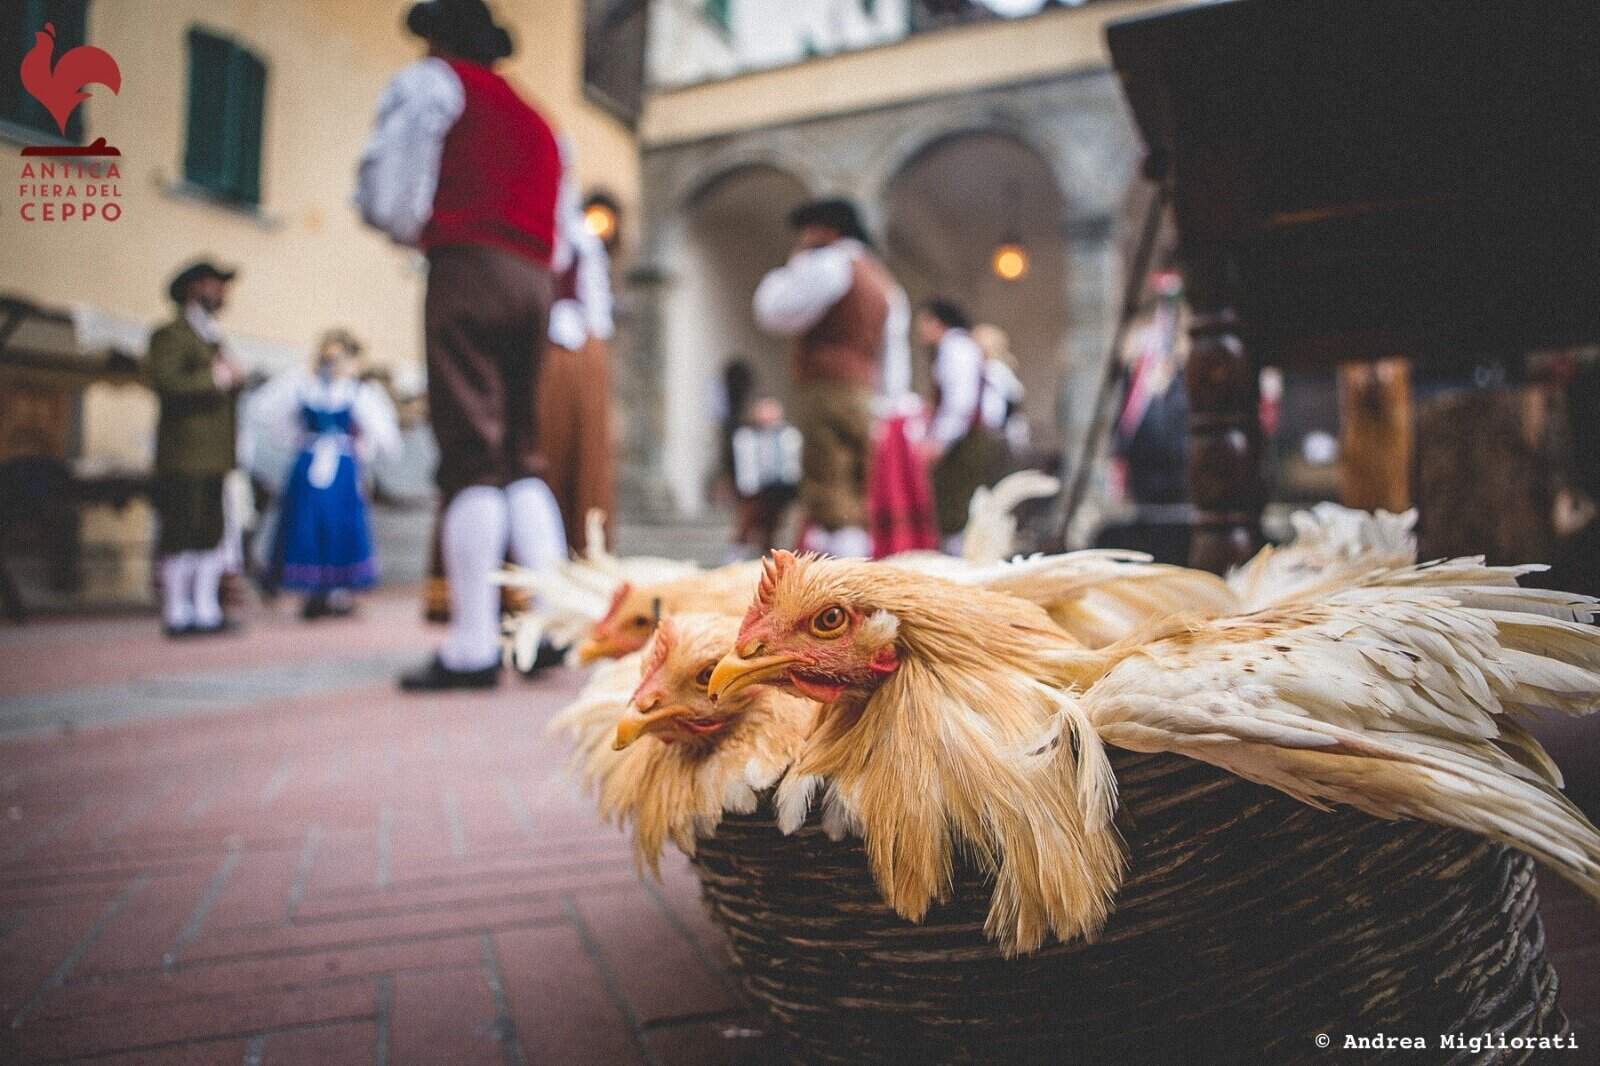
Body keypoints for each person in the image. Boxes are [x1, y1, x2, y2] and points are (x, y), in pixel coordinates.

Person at [356, 0, 572, 690]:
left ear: (437, 38)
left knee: (472, 452)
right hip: (534, 279)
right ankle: (549, 627)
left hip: (468, 265)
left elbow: (389, 195)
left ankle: (473, 646)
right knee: (521, 451)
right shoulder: (542, 122)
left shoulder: (433, 84)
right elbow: (563, 231)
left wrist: (422, 234)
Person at [754, 199, 910, 559]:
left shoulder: (827, 265)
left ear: (826, 230)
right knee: (857, 486)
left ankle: (839, 572)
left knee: (826, 483)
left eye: (808, 230)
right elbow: (893, 352)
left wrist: (795, 265)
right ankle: (857, 562)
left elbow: (772, 310)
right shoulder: (883, 281)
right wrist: (888, 403)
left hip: (825, 388)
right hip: (865, 393)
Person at [249, 331, 401, 620]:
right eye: (326, 357)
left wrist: (362, 450)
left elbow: (382, 434)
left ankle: (337, 590)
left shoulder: (356, 392)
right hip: (309, 466)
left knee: (339, 523)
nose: (331, 364)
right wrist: (298, 439)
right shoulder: (304, 387)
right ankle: (312, 590)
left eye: (337, 358)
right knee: (307, 522)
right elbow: (269, 413)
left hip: (342, 468)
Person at [147, 260, 246, 638]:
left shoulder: (213, 337)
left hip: (214, 455)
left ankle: (205, 609)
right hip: (184, 454)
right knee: (181, 532)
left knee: (209, 533)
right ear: (193, 288)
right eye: (214, 284)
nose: (221, 292)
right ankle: (177, 611)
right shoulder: (170, 334)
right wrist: (217, 377)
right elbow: (166, 380)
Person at [538, 169, 616, 552]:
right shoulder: (534, 232)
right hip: (540, 348)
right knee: (541, 450)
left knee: (586, 454)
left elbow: (597, 308)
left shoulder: (583, 241)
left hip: (578, 350)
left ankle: (584, 549)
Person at [917, 298, 1006, 553]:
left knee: (954, 508)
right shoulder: (960, 348)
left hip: (965, 440)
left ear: (937, 322)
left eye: (924, 322)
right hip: (966, 436)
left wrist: (939, 442)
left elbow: (959, 402)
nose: (921, 330)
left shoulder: (955, 349)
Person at [729, 397, 802, 557]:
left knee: (774, 522)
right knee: (750, 519)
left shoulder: (788, 434)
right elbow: (743, 462)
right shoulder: (746, 435)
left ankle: (768, 550)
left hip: (780, 486)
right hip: (754, 486)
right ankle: (738, 550)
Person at [972, 323, 1029, 451]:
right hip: (1012, 437)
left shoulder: (992, 370)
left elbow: (992, 414)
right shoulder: (1003, 369)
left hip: (998, 440)